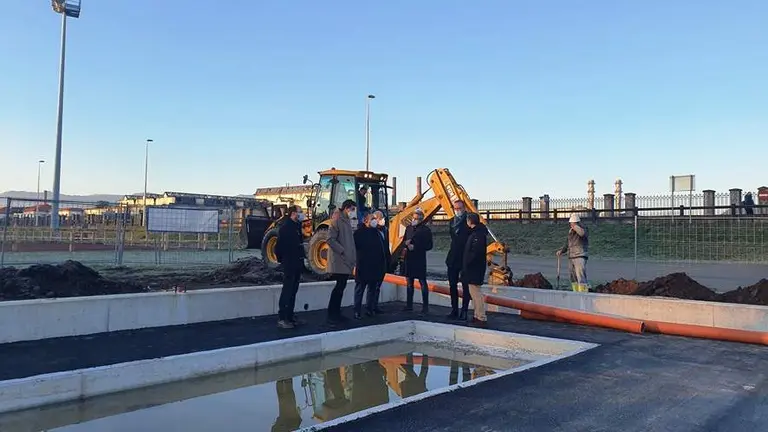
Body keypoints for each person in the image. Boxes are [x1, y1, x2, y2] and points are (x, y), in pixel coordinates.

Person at [353, 212, 391, 319]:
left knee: (372, 289)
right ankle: (357, 310)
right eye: (372, 219)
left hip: (375, 266)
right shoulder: (358, 233)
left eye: (375, 218)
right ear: (366, 221)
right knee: (360, 289)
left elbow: (383, 248)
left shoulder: (377, 233)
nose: (374, 221)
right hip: (363, 265)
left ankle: (370, 309)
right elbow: (355, 248)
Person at [326, 199, 357, 324]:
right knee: (339, 287)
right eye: (352, 209)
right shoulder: (337, 220)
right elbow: (330, 239)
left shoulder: (347, 221)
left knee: (341, 287)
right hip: (340, 259)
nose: (353, 212)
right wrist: (343, 251)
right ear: (346, 208)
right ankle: (332, 314)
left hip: (345, 259)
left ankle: (336, 313)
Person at [275, 205, 305, 329]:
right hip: (289, 263)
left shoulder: (297, 227)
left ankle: (290, 316)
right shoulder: (285, 228)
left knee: (293, 291)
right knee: (287, 291)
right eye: (300, 212)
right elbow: (279, 248)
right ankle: (282, 318)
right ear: (293, 213)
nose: (302, 214)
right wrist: (284, 261)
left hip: (297, 263)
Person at [403, 208, 433, 314]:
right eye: (413, 218)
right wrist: (406, 245)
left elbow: (429, 245)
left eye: (416, 218)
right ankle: (409, 305)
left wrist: (415, 247)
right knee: (409, 283)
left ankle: (425, 307)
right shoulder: (408, 228)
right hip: (409, 259)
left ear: (421, 219)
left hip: (419, 258)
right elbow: (403, 241)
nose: (414, 220)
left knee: (422, 282)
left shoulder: (425, 230)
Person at [445, 200, 471, 320]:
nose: (457, 210)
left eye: (459, 208)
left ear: (464, 208)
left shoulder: (469, 221)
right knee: (452, 285)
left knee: (466, 286)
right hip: (453, 257)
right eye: (455, 208)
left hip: (465, 258)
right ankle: (454, 309)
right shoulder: (451, 222)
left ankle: (464, 310)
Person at [462, 212, 488, 326]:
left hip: (474, 268)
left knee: (476, 294)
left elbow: (475, 252)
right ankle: (477, 315)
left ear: (470, 221)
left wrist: (467, 263)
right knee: (474, 292)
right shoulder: (478, 233)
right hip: (475, 267)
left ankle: (481, 317)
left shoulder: (477, 235)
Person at [556, 214, 589, 292]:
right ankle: (576, 292)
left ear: (576, 222)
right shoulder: (570, 232)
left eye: (572, 223)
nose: (571, 225)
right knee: (573, 277)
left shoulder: (583, 229)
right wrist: (561, 251)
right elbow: (567, 244)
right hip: (571, 256)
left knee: (580, 276)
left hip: (580, 255)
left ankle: (583, 293)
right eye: (571, 223)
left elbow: (582, 233)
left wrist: (575, 226)